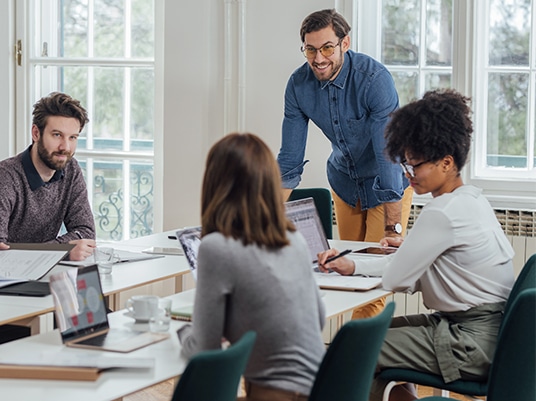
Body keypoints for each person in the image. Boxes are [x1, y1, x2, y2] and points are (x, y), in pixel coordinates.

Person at [316, 89, 515, 401]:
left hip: (471, 340)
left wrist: (408, 257)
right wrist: (354, 264)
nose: (408, 175)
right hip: (492, 333)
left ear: (447, 163)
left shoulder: (441, 212)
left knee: (356, 349)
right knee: (368, 338)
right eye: (405, 165)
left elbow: (397, 277)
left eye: (416, 166)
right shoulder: (472, 199)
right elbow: (414, 266)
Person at [277, 9, 414, 318]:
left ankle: (358, 361)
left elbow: (388, 155)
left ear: (345, 43)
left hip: (387, 185)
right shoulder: (298, 85)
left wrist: (393, 229)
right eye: (310, 49)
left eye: (327, 47)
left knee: (375, 281)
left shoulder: (374, 80)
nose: (318, 58)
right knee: (343, 273)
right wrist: (263, 220)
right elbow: (289, 160)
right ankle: (347, 356)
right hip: (345, 184)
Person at [178, 133, 326, 401]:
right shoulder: (292, 238)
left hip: (276, 394)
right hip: (322, 388)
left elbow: (204, 350)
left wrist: (182, 332)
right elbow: (318, 318)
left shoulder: (216, 247)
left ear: (215, 185)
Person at [0, 92, 96, 265]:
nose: (65, 147)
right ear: (36, 133)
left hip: (43, 273)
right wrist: (63, 250)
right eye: (57, 135)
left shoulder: (71, 169)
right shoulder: (1, 178)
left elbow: (86, 232)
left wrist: (46, 252)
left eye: (72, 137)